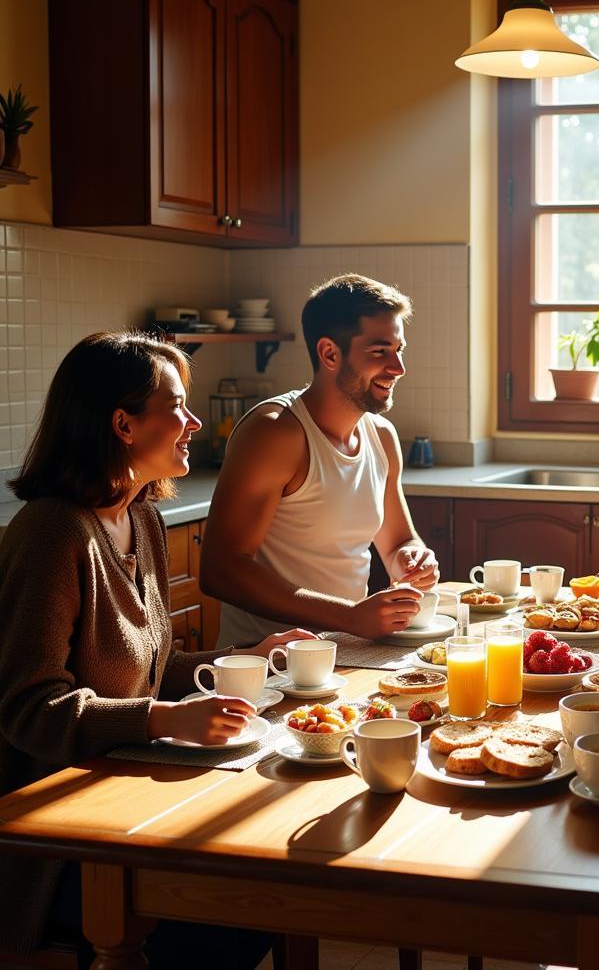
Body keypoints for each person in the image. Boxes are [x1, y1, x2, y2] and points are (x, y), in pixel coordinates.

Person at [0, 331, 313, 967]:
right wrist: (163, 719)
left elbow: (146, 669)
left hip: (123, 792)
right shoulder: (54, 534)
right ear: (122, 423)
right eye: (177, 405)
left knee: (275, 882)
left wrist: (255, 654)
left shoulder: (140, 516)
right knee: (247, 911)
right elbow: (29, 708)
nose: (196, 422)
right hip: (57, 841)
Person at [201, 274, 439, 649]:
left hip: (344, 655)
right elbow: (221, 569)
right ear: (329, 353)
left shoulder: (381, 436)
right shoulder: (276, 433)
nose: (398, 367)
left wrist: (412, 559)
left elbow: (396, 543)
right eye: (380, 351)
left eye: (399, 349)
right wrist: (350, 615)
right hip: (268, 668)